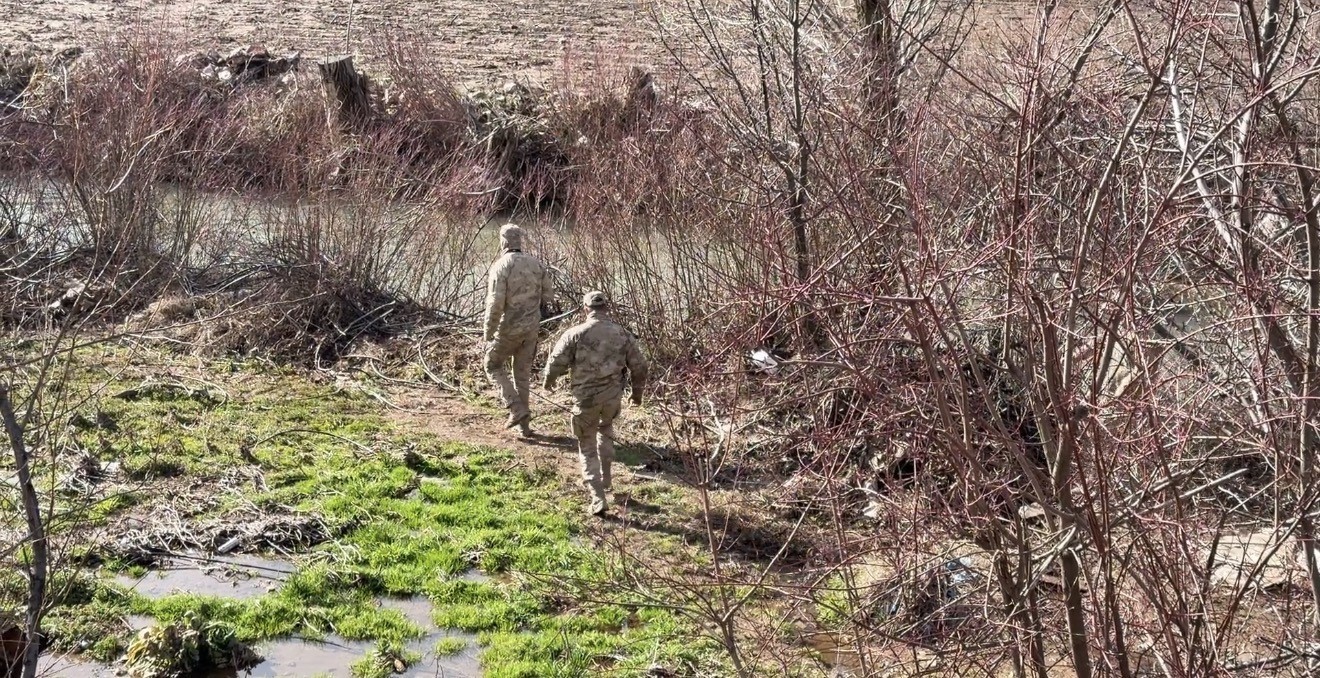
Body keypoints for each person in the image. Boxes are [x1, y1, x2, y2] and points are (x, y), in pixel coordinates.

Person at [543, 291, 648, 516]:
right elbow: (640, 367)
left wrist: (548, 381)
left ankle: (597, 497)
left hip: (585, 401)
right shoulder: (623, 334)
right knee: (606, 430)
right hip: (612, 399)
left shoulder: (575, 334)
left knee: (587, 446)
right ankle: (607, 480)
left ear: (585, 308)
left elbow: (555, 363)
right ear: (606, 308)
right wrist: (637, 394)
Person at [484, 224, 553, 436]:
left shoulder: (501, 266)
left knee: (492, 364)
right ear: (519, 241)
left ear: (503, 241)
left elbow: (495, 303)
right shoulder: (537, 264)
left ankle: (514, 407)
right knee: (522, 375)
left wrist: (489, 330)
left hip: (508, 328)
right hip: (531, 328)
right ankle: (525, 427)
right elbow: (548, 297)